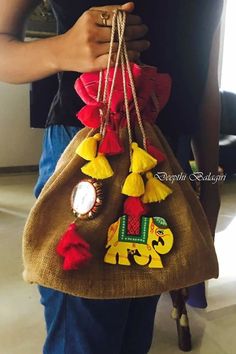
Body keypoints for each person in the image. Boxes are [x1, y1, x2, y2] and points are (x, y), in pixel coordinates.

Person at [0, 1, 223, 353]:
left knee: (135, 335)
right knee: (84, 338)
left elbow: (205, 78)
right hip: (87, 157)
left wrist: (210, 183)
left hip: (166, 166)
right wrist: (60, 51)